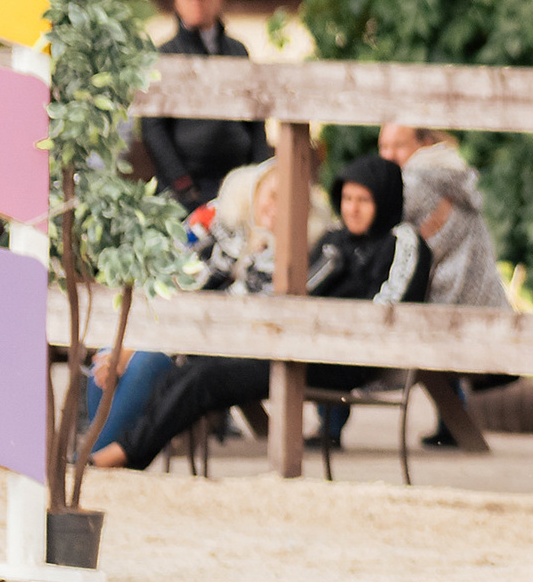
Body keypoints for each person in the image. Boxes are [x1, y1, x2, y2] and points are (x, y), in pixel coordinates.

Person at [93, 157, 432, 470]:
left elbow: (389, 306)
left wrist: (329, 327)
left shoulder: (402, 240)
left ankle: (126, 454)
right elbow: (304, 294)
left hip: (348, 357)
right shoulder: (334, 240)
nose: (353, 209)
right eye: (348, 199)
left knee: (204, 377)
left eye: (364, 200)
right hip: (300, 348)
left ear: (384, 201)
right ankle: (122, 449)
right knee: (194, 368)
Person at [379, 125, 514, 448]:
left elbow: (385, 230)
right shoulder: (453, 174)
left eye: (398, 145)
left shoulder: (415, 179)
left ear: (424, 143)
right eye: (383, 145)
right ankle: (453, 426)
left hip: (443, 287)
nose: (388, 154)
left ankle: (453, 426)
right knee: (446, 362)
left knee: (435, 354)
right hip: (471, 287)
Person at [142, 0, 270, 210]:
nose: (196, 1)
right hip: (186, 189)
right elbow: (153, 127)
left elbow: (256, 118)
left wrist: (257, 174)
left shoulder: (238, 51)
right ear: (176, 0)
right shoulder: (164, 55)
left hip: (235, 183)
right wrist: (181, 182)